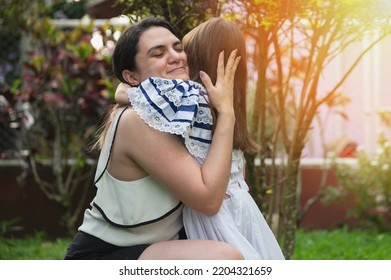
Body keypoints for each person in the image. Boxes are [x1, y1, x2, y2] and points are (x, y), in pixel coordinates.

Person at [64, 17, 243, 260]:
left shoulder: (178, 106)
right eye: (158, 54)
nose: (176, 56)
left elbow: (127, 90)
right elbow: (208, 200)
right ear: (132, 76)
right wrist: (227, 114)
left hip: (154, 246)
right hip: (105, 255)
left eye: (178, 48)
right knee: (223, 259)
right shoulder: (136, 121)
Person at [115, 17, 285, 260]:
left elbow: (132, 94)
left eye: (183, 50)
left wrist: (123, 88)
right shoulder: (227, 103)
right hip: (243, 208)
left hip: (215, 218)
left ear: (197, 60)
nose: (178, 58)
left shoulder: (190, 99)